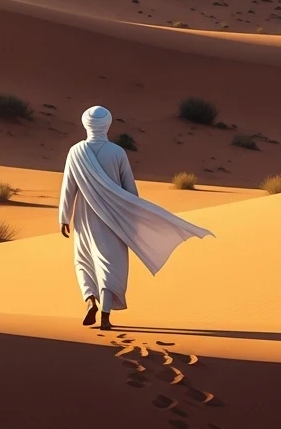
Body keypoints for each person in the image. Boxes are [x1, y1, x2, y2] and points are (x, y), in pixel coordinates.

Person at [58, 105, 214, 330]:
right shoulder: (117, 152)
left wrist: (64, 217)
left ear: (86, 124)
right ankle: (106, 312)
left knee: (84, 258)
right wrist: (135, 216)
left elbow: (68, 187)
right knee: (111, 262)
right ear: (107, 124)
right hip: (117, 215)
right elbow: (129, 188)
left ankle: (90, 299)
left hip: (85, 214)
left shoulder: (75, 152)